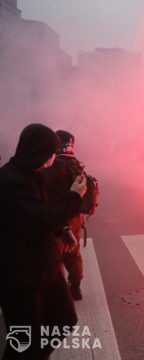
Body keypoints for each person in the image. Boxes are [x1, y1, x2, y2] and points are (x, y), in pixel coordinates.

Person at [0, 123, 87, 359]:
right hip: (19, 276)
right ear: (39, 151)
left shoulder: (30, 173)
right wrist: (74, 196)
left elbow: (42, 211)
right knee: (23, 340)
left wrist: (63, 228)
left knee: (64, 319)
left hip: (44, 267)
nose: (52, 158)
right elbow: (39, 220)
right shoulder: (10, 182)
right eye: (50, 152)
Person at [41, 130, 87, 301]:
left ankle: (57, 293)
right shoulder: (77, 164)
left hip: (58, 216)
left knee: (55, 255)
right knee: (74, 255)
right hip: (75, 216)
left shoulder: (52, 166)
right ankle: (75, 287)